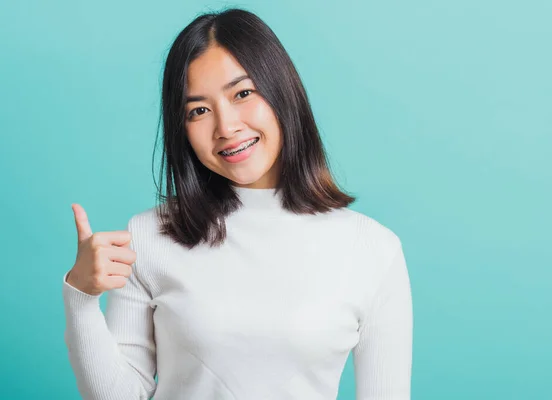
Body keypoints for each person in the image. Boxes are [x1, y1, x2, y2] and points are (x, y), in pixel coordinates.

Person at [62, 7, 413, 400]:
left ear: (282, 91)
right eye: (199, 111)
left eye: (243, 93)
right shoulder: (147, 236)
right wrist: (81, 296)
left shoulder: (373, 249)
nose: (226, 127)